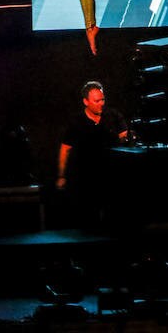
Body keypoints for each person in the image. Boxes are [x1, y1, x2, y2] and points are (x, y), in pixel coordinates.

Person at [56, 80, 128, 229]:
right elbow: (65, 149)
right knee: (89, 219)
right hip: (86, 178)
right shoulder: (76, 122)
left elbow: (125, 136)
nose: (101, 103)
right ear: (86, 101)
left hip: (111, 175)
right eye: (96, 101)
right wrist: (62, 175)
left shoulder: (112, 116)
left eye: (102, 99)